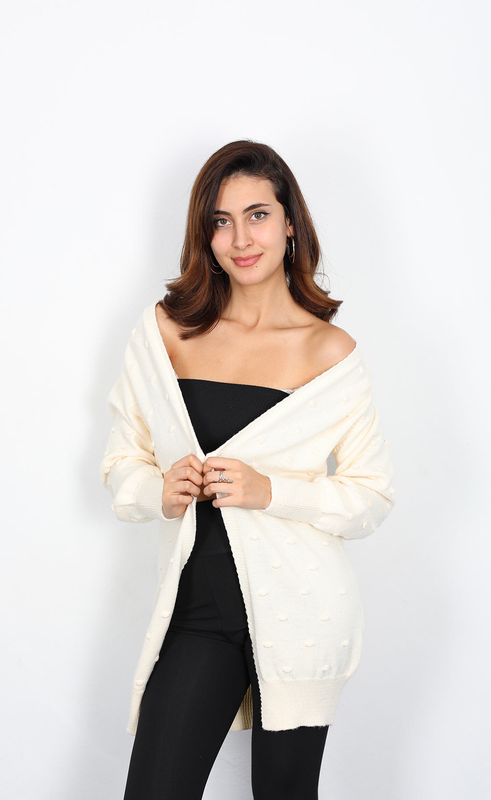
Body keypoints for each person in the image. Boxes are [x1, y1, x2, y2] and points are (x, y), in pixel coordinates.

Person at [100, 140, 396, 799]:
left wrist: (271, 492)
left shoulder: (330, 352)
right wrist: (157, 491)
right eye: (221, 220)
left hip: (302, 615)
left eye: (258, 215)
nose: (240, 238)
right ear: (204, 235)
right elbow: (122, 461)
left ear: (290, 223)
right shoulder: (163, 334)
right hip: (198, 614)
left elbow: (371, 497)